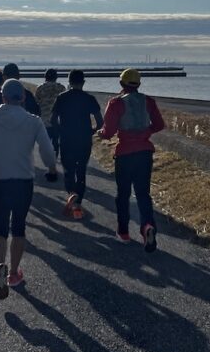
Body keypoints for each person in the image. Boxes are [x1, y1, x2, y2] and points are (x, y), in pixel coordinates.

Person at [0, 79, 57, 299]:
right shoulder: (33, 121)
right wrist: (52, 168)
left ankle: (0, 266)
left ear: (3, 97)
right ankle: (14, 273)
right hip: (23, 180)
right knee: (18, 228)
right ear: (23, 98)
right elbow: (47, 151)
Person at [98, 68, 165, 252]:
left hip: (125, 154)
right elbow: (159, 124)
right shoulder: (148, 101)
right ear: (139, 84)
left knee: (123, 194)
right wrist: (145, 132)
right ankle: (147, 226)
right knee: (143, 193)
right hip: (145, 152)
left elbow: (109, 132)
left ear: (121, 84)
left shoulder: (116, 103)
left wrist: (100, 134)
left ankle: (123, 232)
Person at [51, 69, 103, 219]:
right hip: (84, 140)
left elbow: (53, 120)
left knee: (68, 170)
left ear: (69, 81)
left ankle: (71, 194)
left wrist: (60, 131)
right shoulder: (89, 98)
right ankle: (78, 205)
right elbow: (100, 122)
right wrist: (91, 131)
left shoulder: (61, 98)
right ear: (83, 82)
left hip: (67, 139)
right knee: (81, 171)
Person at [34, 68, 66, 155]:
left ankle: (47, 158)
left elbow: (36, 102)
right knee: (56, 140)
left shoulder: (40, 88)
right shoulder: (61, 88)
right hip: (57, 120)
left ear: (45, 77)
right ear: (56, 77)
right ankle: (54, 157)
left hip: (44, 120)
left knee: (45, 142)